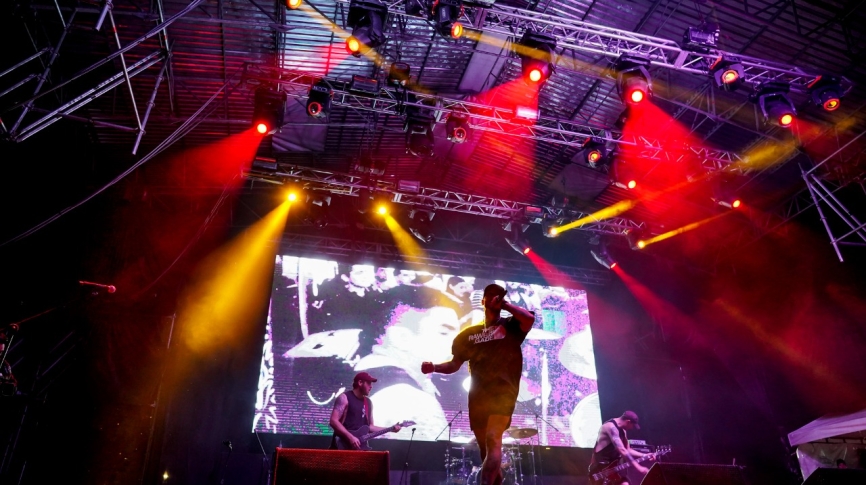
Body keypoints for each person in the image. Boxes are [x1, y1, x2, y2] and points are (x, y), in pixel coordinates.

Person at [421, 283, 535, 485]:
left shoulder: (511, 326)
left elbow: (529, 319)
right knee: (486, 451)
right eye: (490, 296)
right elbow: (454, 364)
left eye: (498, 296)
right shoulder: (467, 336)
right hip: (478, 397)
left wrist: (505, 305)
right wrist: (434, 367)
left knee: (493, 438)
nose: (494, 299)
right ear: (482, 301)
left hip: (502, 393)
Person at [329, 372, 402, 449]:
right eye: (369, 383)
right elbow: (333, 421)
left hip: (358, 448)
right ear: (360, 382)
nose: (371, 387)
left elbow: (370, 427)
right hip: (341, 446)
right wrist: (350, 437)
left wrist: (390, 429)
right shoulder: (344, 398)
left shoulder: (368, 402)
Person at [588, 411, 651, 485]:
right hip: (600, 470)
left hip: (613, 469)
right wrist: (639, 468)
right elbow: (622, 450)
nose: (632, 428)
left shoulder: (623, 431)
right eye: (633, 425)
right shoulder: (611, 427)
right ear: (628, 421)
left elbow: (627, 449)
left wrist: (644, 455)